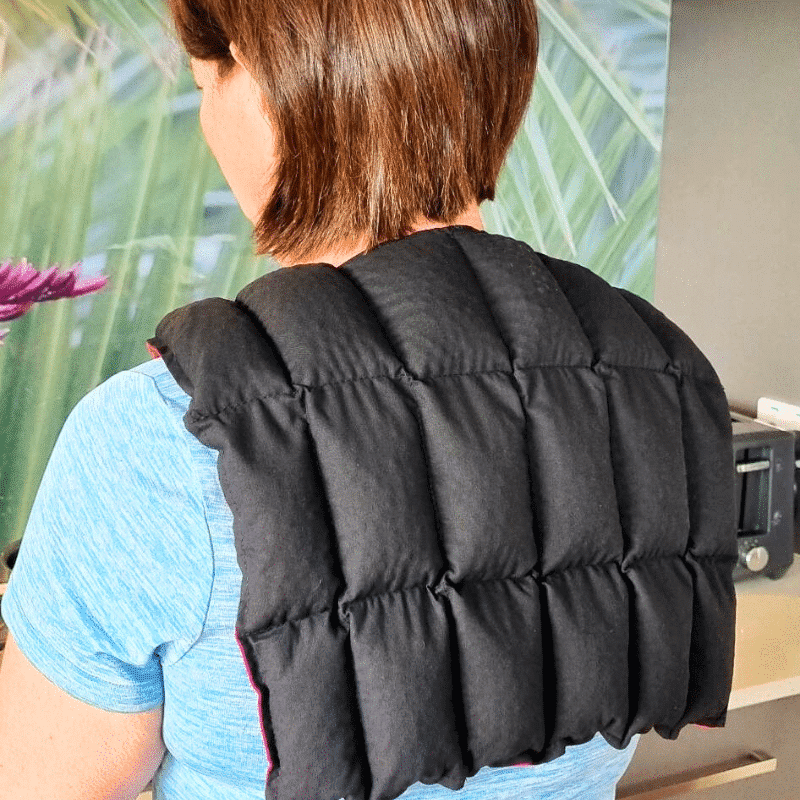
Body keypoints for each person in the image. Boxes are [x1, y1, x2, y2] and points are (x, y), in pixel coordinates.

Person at [0, 1, 739, 799]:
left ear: (268, 89)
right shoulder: (663, 381)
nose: (207, 108)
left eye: (212, 72)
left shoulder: (162, 440)